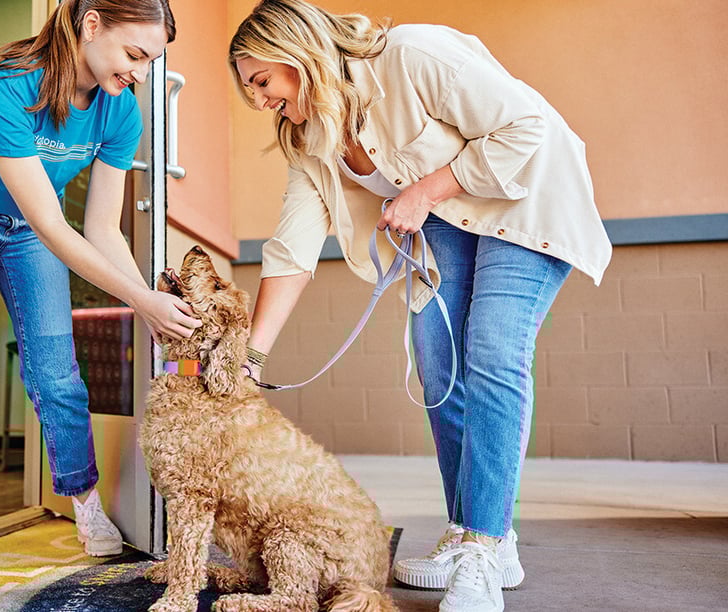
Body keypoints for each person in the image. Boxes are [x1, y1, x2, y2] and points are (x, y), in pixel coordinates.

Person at [228, 1, 611, 611]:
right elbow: (290, 250)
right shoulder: (310, 138)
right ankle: (474, 533)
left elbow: (524, 126)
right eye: (248, 88)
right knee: (439, 363)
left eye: (261, 81)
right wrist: (250, 356)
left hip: (526, 195)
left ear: (295, 51)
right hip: (451, 219)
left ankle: (484, 548)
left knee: (490, 349)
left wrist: (424, 189)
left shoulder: (411, 54)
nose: (257, 100)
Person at [0, 1, 197, 610]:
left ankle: (85, 503)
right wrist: (143, 302)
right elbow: (53, 223)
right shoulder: (8, 82)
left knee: (56, 373)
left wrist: (149, 303)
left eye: (151, 62)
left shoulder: (119, 110)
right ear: (93, 23)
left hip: (28, 229)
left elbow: (104, 227)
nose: (139, 73)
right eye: (135, 55)